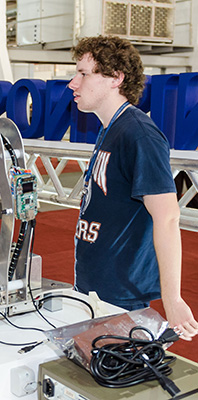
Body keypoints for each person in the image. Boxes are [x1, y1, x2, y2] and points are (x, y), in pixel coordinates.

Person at [69, 35, 198, 341]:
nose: (73, 83)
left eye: (84, 74)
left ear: (116, 78)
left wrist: (173, 298)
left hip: (121, 296)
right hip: (95, 289)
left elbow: (167, 217)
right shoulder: (110, 130)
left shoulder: (139, 135)